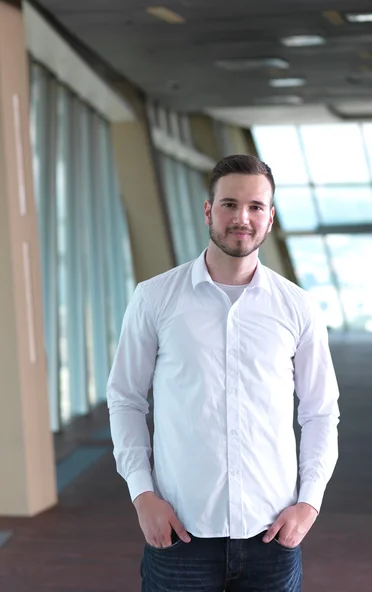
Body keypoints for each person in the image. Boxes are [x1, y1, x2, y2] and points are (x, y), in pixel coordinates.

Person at [107, 154, 340, 592]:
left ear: (270, 218)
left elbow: (320, 412)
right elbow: (125, 400)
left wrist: (309, 503)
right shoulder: (154, 298)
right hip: (179, 532)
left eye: (255, 207)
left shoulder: (298, 307)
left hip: (273, 534)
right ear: (209, 210)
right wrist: (142, 496)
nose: (242, 218)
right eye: (230, 204)